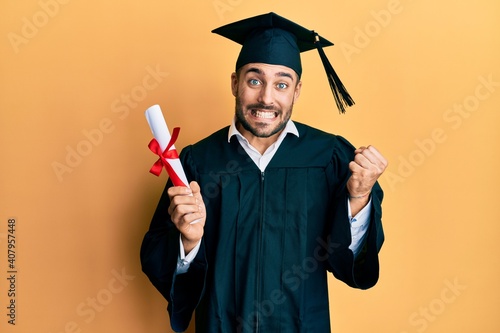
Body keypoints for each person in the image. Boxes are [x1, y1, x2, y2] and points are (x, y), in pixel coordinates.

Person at [141, 12, 388, 333]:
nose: (266, 98)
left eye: (281, 84)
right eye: (254, 80)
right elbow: (160, 260)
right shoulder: (197, 162)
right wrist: (188, 242)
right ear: (235, 83)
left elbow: (345, 263)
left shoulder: (330, 156)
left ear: (296, 91)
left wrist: (358, 198)